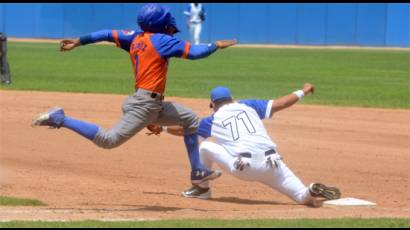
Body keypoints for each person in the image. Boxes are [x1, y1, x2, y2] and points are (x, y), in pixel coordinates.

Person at [31, 3, 236, 185]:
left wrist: (79, 41)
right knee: (108, 140)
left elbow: (107, 33)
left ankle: (198, 170)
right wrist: (215, 45)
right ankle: (61, 118)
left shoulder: (135, 37)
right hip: (144, 105)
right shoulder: (162, 40)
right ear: (160, 22)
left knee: (191, 120)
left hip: (149, 104)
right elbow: (195, 52)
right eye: (166, 17)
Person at [146, 83, 341, 206]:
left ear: (212, 104)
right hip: (274, 164)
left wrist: (162, 129)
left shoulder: (212, 120)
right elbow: (281, 104)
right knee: (302, 197)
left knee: (205, 146)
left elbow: (184, 130)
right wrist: (304, 90)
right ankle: (311, 189)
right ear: (232, 99)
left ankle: (202, 189)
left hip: (245, 168)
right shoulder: (249, 105)